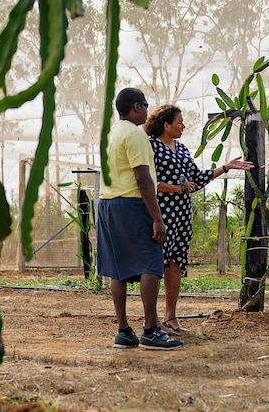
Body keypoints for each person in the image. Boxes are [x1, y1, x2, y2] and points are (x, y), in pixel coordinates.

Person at [144, 104, 254, 334]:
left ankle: (171, 316)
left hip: (182, 214)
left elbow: (195, 178)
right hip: (162, 213)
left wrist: (225, 167)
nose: (183, 126)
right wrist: (177, 189)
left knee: (175, 263)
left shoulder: (182, 149)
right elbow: (147, 183)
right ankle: (153, 322)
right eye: (179, 122)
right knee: (157, 265)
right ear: (166, 125)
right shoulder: (150, 147)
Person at [96, 88, 183, 350]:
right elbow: (143, 178)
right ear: (136, 107)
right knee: (151, 265)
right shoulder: (136, 135)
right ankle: (150, 330)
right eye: (145, 106)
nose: (147, 111)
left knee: (118, 269)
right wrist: (157, 218)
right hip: (132, 204)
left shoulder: (111, 133)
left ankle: (123, 331)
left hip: (107, 203)